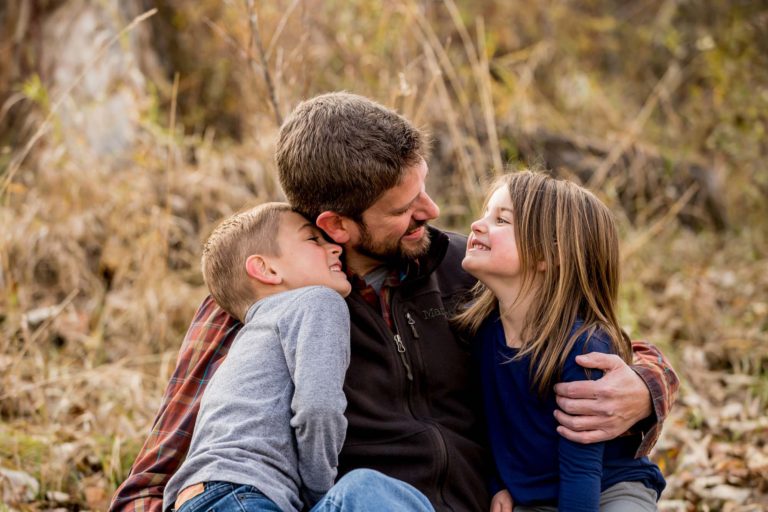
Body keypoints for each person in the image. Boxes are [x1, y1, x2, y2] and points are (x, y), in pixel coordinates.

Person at [110, 92, 679, 512]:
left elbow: (596, 338)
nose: (431, 211)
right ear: (337, 224)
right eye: (404, 207)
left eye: (423, 187)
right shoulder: (271, 295)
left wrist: (645, 387)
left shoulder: (468, 267)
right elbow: (165, 462)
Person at [163, 202, 433, 512]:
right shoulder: (318, 301)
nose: (333, 248)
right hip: (241, 494)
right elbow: (318, 408)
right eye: (312, 240)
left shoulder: (249, 337)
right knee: (368, 491)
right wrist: (318, 493)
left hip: (197, 496)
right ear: (266, 269)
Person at [457, 171, 665, 511]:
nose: (477, 225)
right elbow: (490, 426)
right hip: (533, 493)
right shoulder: (482, 331)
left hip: (607, 488)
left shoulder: (583, 347)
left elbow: (581, 471)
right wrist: (500, 485)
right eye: (485, 214)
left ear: (549, 256)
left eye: (501, 220)